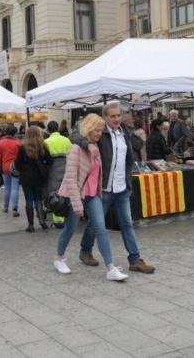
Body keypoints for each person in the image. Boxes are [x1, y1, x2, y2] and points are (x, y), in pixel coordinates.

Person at [71, 104, 155, 274]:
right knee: (96, 223)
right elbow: (74, 136)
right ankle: (85, 250)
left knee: (127, 224)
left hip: (122, 187)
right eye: (112, 116)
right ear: (105, 118)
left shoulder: (125, 131)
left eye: (118, 115)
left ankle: (135, 259)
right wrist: (88, 144)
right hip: (104, 188)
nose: (117, 119)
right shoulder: (100, 132)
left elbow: (129, 158)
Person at [54, 114, 128, 281]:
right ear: (88, 128)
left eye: (101, 130)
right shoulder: (75, 149)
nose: (99, 133)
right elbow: (71, 179)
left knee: (100, 229)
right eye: (97, 130)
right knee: (70, 228)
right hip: (77, 195)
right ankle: (59, 257)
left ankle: (110, 267)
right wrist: (77, 204)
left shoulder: (95, 147)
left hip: (93, 195)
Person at [14, 126, 53, 232]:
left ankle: (31, 225)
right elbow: (50, 160)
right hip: (38, 176)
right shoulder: (42, 146)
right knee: (38, 199)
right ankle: (41, 220)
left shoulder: (23, 147)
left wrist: (23, 168)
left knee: (28, 200)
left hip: (26, 176)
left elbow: (17, 164)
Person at [44, 121, 72, 228]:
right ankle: (67, 216)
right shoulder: (67, 140)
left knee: (54, 193)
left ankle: (58, 220)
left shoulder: (46, 142)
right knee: (65, 192)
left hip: (53, 169)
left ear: (48, 130)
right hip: (66, 167)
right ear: (58, 128)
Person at [0, 126, 22, 217]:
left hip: (5, 167)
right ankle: (14, 208)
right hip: (15, 167)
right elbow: (20, 157)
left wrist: (1, 164)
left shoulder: (1, 143)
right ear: (14, 133)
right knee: (15, 187)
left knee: (7, 188)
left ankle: (5, 206)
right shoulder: (18, 143)